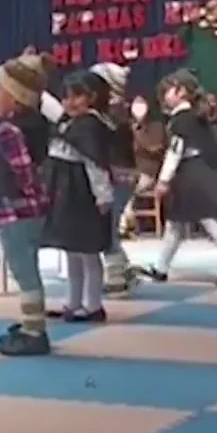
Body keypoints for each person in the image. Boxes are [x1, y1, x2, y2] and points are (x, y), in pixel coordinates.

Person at [137, 70, 217, 286]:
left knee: (210, 222)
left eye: (169, 90)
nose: (165, 95)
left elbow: (175, 151)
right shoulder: (191, 117)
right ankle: (161, 268)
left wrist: (163, 180)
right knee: (176, 223)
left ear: (182, 93)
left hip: (194, 175)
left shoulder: (183, 119)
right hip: (195, 172)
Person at [0, 53, 54, 356]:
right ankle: (32, 322)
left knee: (23, 270)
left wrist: (29, 193)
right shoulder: (39, 125)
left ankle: (33, 330)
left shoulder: (8, 131)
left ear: (14, 98)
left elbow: (24, 169)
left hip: (17, 210)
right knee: (29, 266)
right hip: (34, 210)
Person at [40, 71, 114, 322]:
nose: (70, 102)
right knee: (72, 249)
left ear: (92, 97)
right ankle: (73, 301)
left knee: (88, 250)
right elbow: (46, 104)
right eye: (67, 97)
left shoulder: (90, 125)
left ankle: (93, 305)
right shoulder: (73, 122)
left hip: (82, 193)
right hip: (67, 190)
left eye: (77, 96)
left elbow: (96, 164)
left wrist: (103, 196)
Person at [89, 62, 140, 295]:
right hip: (122, 176)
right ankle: (124, 268)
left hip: (118, 177)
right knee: (108, 226)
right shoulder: (113, 111)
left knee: (108, 229)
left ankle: (116, 278)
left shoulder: (111, 113)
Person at [119, 94, 167, 236]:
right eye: (135, 104)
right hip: (130, 171)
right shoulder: (126, 126)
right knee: (120, 188)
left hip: (148, 172)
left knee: (130, 189)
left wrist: (138, 135)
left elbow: (157, 149)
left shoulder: (156, 127)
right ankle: (125, 223)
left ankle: (123, 226)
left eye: (141, 104)